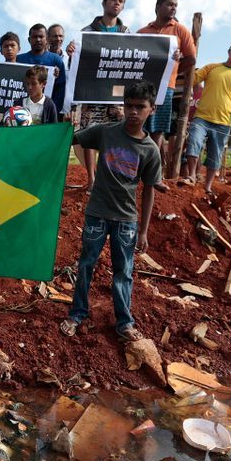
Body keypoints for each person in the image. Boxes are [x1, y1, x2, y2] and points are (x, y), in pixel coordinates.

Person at [59, 81, 161, 342]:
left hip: (126, 219)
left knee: (123, 272)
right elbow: (70, 139)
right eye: (129, 106)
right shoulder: (105, 133)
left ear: (152, 109)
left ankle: (124, 322)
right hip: (97, 213)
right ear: (123, 107)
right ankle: (77, 313)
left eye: (141, 107)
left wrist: (145, 231)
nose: (134, 112)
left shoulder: (150, 150)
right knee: (85, 266)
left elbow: (149, 190)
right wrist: (64, 125)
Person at [72, 0, 130, 188]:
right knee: (90, 134)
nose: (117, 3)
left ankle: (112, 179)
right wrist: (73, 52)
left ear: (123, 7)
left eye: (121, 1)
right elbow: (76, 64)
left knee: (117, 134)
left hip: (116, 95)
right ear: (104, 2)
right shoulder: (87, 32)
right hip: (93, 93)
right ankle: (91, 179)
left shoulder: (127, 33)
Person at [185, 38, 231, 193]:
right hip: (201, 117)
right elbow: (193, 78)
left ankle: (207, 186)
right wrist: (188, 61)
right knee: (194, 142)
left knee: (215, 155)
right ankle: (192, 176)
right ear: (229, 50)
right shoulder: (212, 67)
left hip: (223, 121)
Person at [137, 0, 196, 162]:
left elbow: (191, 58)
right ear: (157, 7)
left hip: (165, 87)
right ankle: (141, 165)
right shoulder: (142, 32)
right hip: (143, 87)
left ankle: (153, 168)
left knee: (157, 129)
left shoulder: (180, 30)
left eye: (175, 5)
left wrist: (176, 66)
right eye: (170, 4)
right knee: (140, 124)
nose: (173, 8)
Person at [16, 24, 65, 114]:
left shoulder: (56, 60)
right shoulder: (19, 59)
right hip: (22, 111)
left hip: (46, 113)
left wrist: (53, 111)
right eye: (35, 37)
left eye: (41, 36)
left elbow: (60, 89)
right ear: (29, 40)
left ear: (47, 39)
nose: (38, 39)